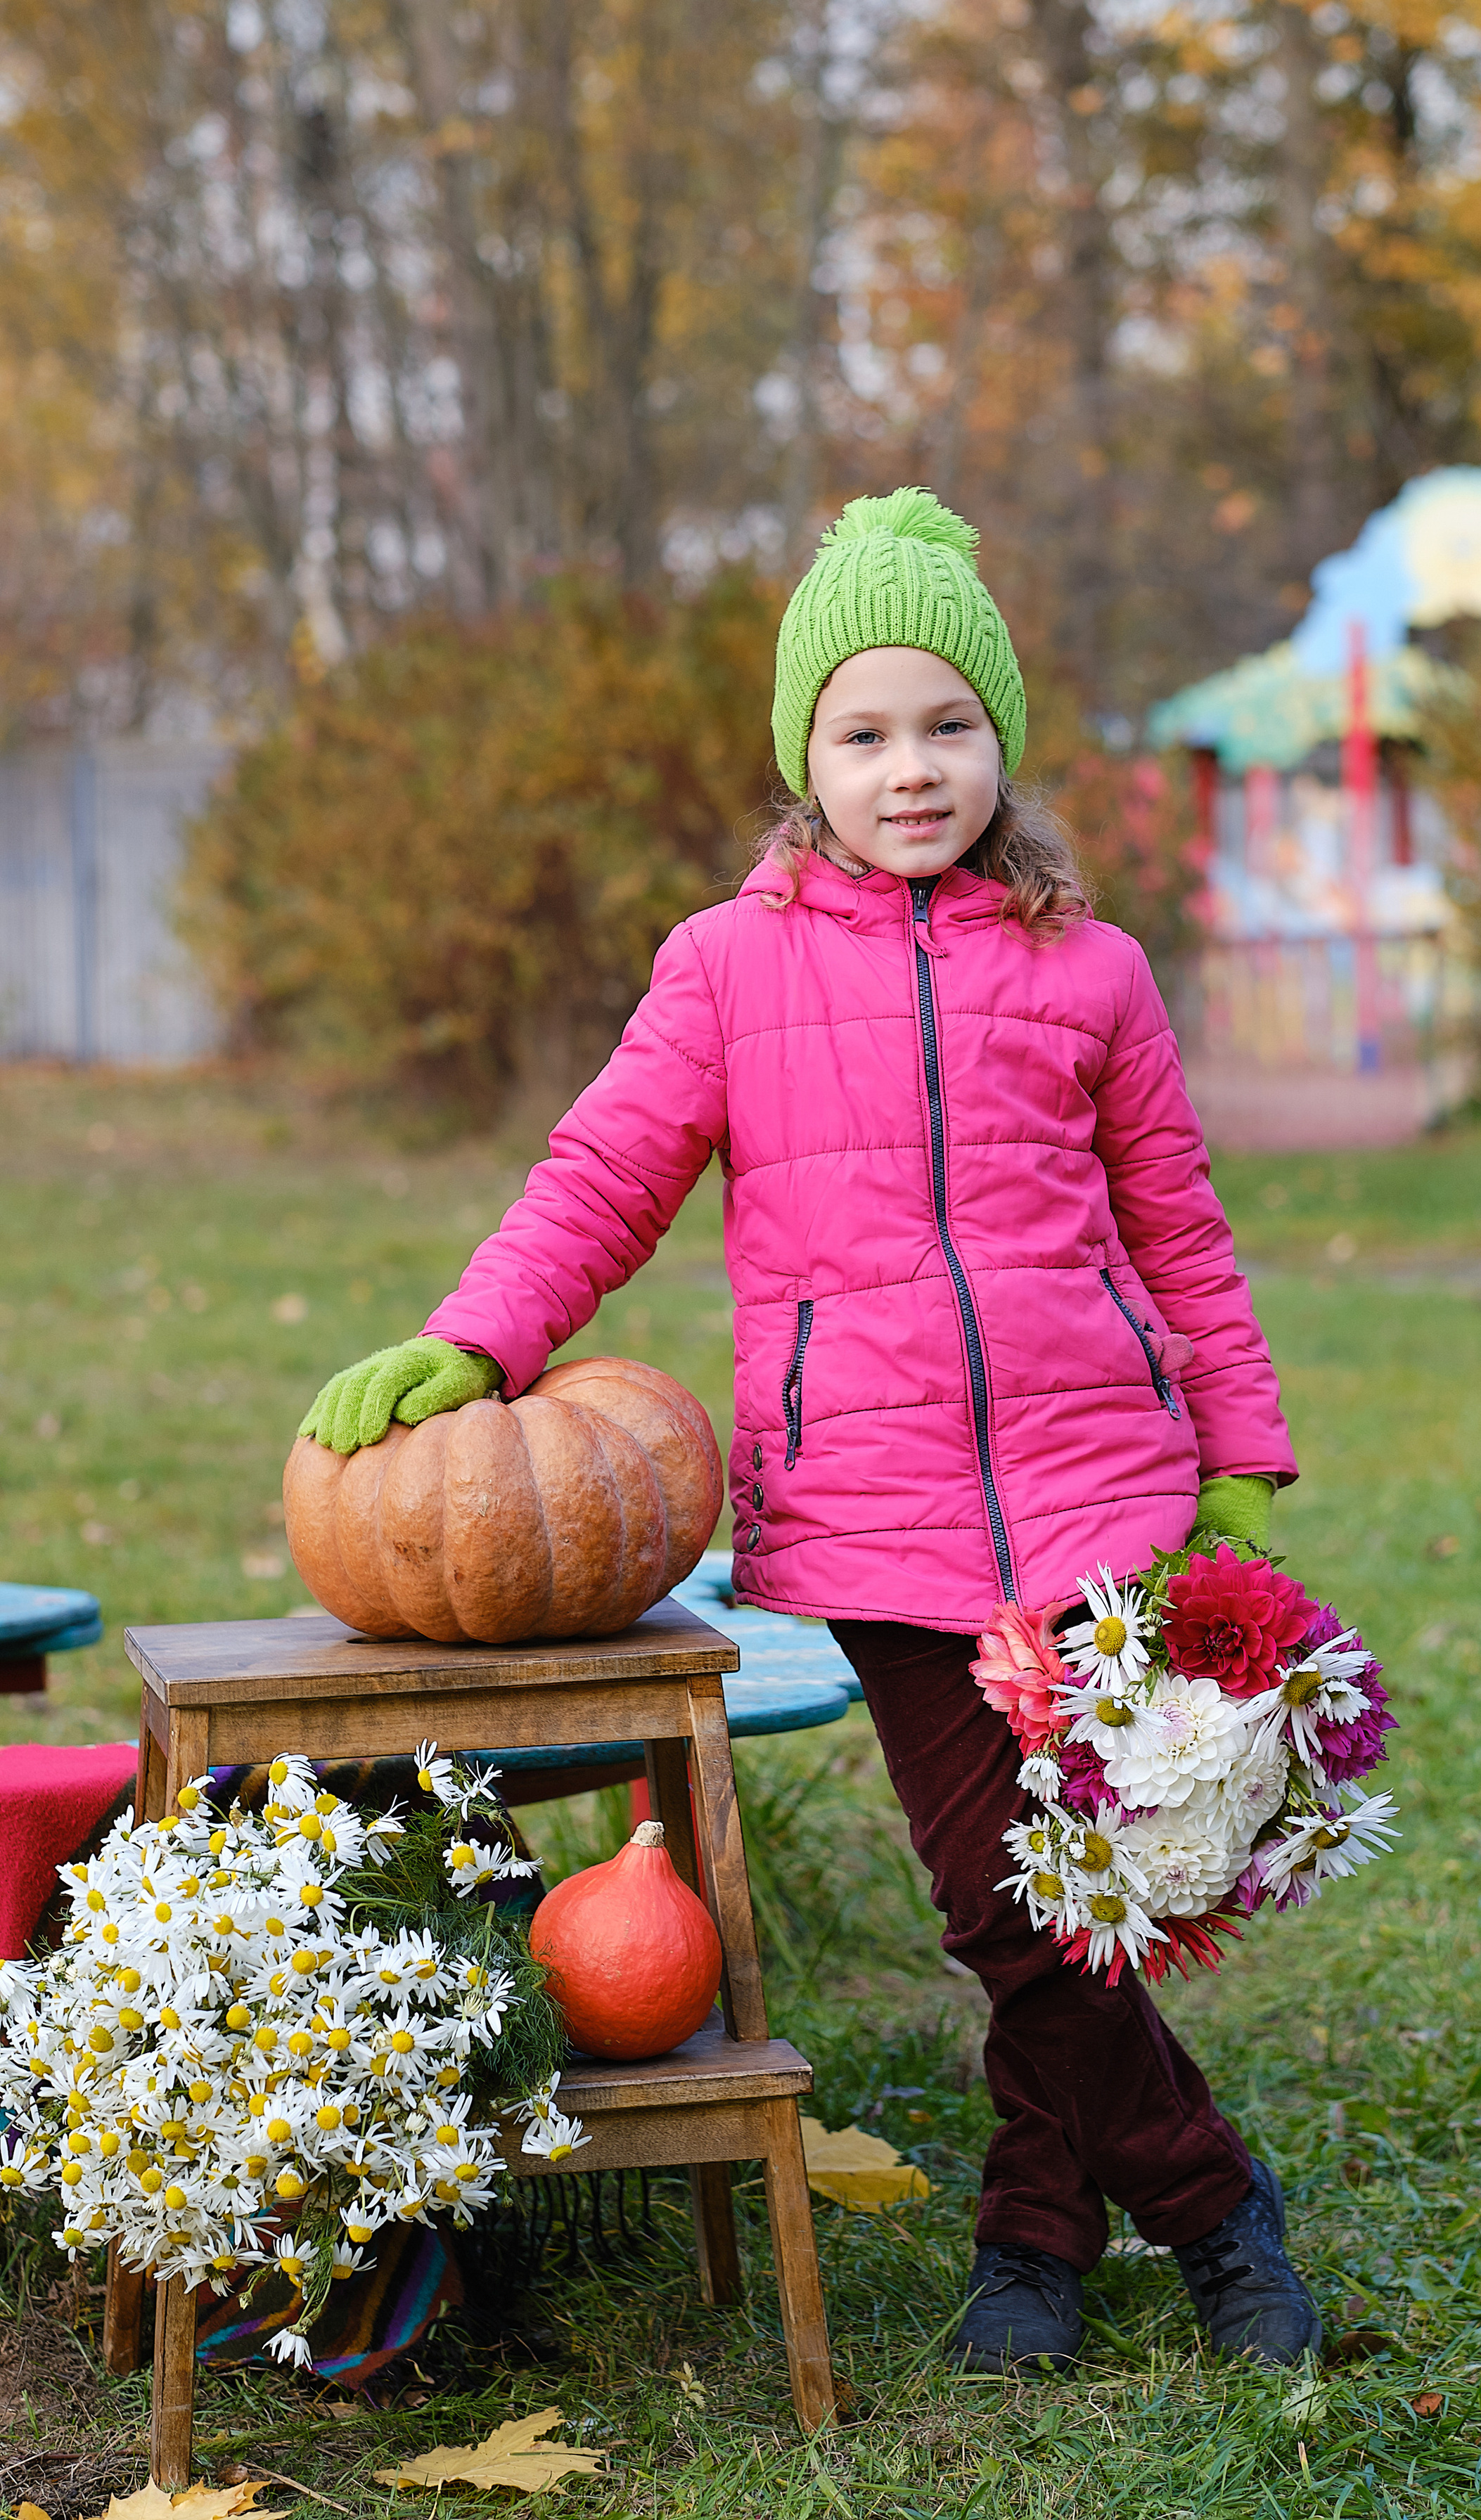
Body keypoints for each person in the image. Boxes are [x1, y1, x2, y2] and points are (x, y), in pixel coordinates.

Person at [299, 487, 1319, 2374]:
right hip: (874, 1500)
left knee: (1088, 1882)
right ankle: (1207, 2200)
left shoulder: (1093, 972)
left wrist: (1236, 1452)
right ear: (806, 760)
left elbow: (1177, 1220)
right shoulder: (727, 968)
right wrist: (475, 1335)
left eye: (947, 724)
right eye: (864, 732)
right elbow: (603, 1173)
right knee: (1003, 1897)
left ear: (1002, 741)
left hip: (1105, 1493)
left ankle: (1034, 2236)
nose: (909, 768)